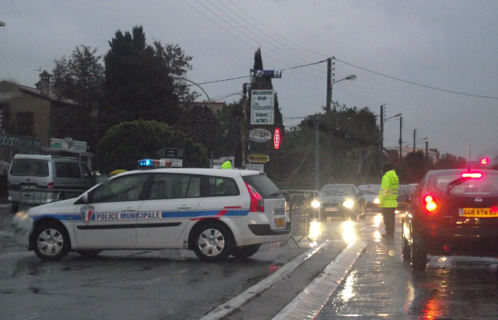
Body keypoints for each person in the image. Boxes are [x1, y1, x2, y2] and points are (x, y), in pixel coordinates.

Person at [378, 162, 399, 237]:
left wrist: (380, 202)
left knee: (387, 218)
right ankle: (391, 232)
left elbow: (383, 191)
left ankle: (388, 233)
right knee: (391, 218)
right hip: (393, 202)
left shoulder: (386, 177)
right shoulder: (395, 177)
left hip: (386, 202)